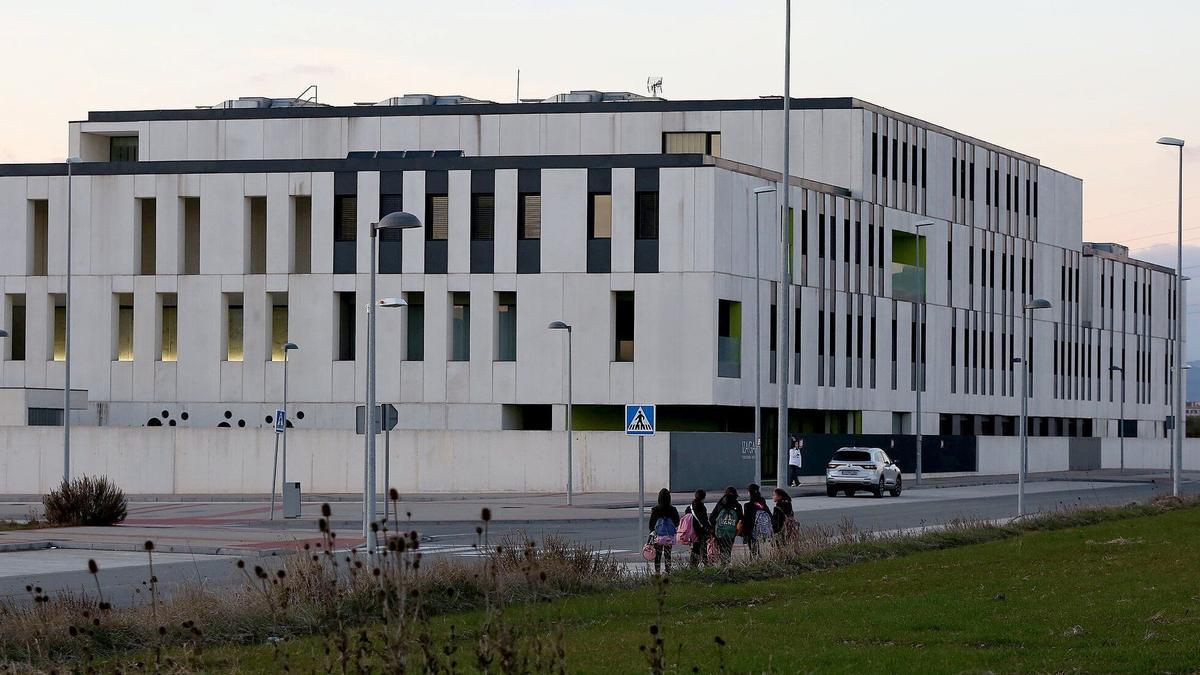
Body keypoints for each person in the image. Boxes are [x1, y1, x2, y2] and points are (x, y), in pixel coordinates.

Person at [648, 488, 680, 574]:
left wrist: (652, 531)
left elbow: (651, 524)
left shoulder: (655, 510)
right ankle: (668, 571)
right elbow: (677, 522)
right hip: (669, 536)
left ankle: (657, 571)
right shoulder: (673, 509)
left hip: (658, 535)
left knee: (657, 554)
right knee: (667, 554)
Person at [708, 487, 742, 565]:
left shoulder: (720, 504)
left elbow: (711, 518)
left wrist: (716, 527)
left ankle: (720, 565)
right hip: (731, 532)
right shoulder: (737, 505)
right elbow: (741, 520)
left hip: (720, 532)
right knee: (727, 550)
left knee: (720, 549)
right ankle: (725, 565)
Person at [742, 483, 771, 559]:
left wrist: (745, 533)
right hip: (762, 528)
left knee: (753, 549)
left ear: (749, 492)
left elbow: (746, 519)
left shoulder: (748, 505)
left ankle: (755, 561)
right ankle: (758, 559)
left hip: (752, 529)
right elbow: (768, 513)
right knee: (757, 548)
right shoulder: (762, 502)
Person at [684, 489, 711, 568]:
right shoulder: (702, 507)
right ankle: (706, 566)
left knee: (695, 549)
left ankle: (693, 566)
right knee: (703, 550)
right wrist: (709, 529)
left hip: (692, 532)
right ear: (703, 497)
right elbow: (704, 520)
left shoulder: (689, 508)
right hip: (701, 532)